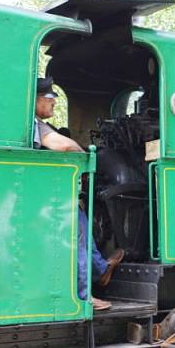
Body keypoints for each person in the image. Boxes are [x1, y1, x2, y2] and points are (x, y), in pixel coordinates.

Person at [33, 77, 123, 311]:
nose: (53, 104)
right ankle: (84, 296)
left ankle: (100, 270)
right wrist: (85, 160)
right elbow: (62, 146)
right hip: (46, 197)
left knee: (82, 224)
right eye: (51, 99)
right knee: (76, 235)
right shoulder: (35, 124)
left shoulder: (37, 124)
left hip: (52, 194)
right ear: (37, 100)